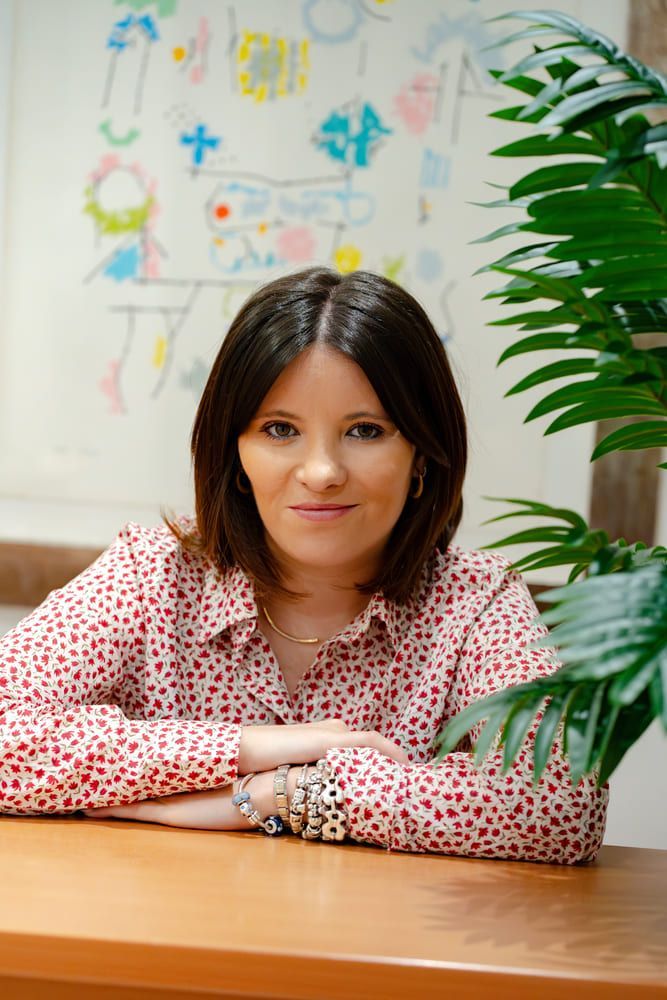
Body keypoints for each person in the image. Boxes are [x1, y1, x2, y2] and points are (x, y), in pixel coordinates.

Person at [0, 267, 607, 861]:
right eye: (280, 429)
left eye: (366, 430)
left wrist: (286, 796)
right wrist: (246, 748)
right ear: (234, 452)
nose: (321, 472)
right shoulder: (152, 574)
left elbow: (561, 800)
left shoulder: (475, 603)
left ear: (422, 453)